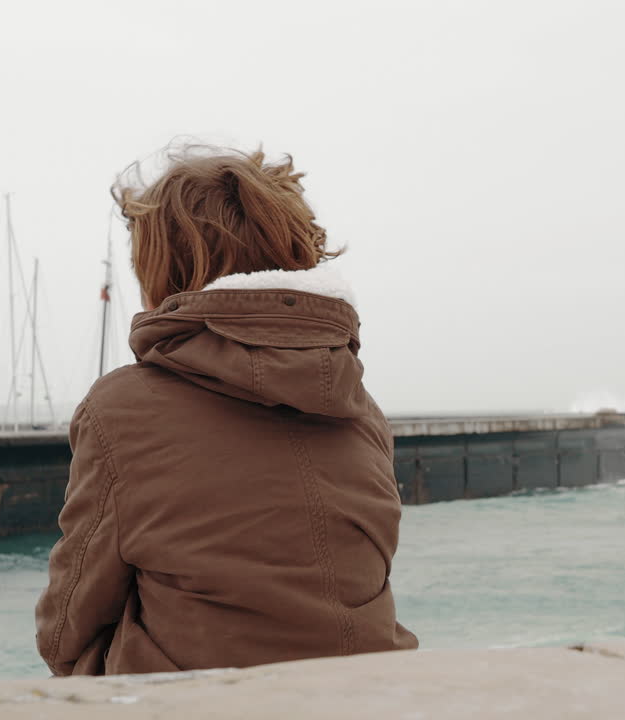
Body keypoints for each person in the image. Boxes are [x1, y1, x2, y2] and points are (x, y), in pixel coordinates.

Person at [34, 144, 418, 675]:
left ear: (163, 267)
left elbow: (66, 626)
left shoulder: (119, 408)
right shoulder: (358, 407)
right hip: (373, 688)